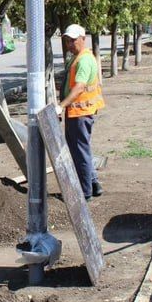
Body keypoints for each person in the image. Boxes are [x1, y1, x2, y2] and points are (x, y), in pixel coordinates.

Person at [56, 24, 105, 201]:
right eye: (68, 40)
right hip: (78, 112)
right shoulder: (78, 57)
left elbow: (79, 88)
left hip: (80, 113)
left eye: (73, 40)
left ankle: (84, 192)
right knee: (83, 149)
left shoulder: (84, 60)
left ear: (83, 39)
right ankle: (93, 183)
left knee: (79, 152)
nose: (70, 44)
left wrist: (61, 105)